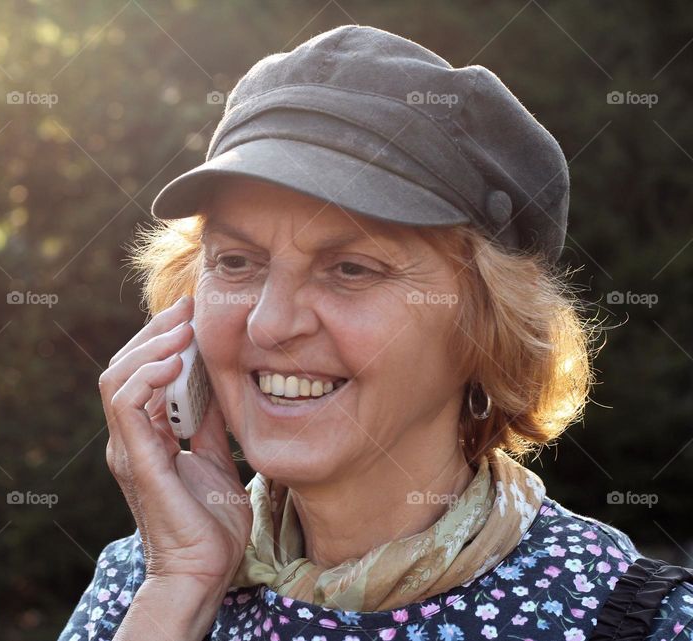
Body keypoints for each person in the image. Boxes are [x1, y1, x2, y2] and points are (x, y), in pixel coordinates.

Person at [59, 25, 693, 641]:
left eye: (351, 269)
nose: (271, 322)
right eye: (235, 261)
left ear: (488, 324)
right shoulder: (140, 585)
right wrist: (179, 593)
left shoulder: (634, 622)